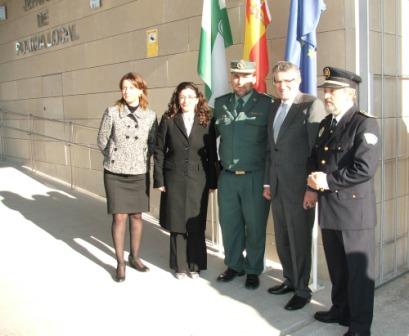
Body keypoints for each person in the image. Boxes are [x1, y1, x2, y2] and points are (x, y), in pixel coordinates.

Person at [307, 67, 380, 336]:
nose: (326, 95)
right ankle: (340, 309)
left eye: (332, 91)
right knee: (338, 268)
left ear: (349, 94)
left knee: (359, 274)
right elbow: (316, 158)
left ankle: (360, 327)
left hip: (354, 213)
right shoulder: (328, 123)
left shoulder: (365, 123)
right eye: (325, 91)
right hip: (330, 209)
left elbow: (364, 168)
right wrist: (312, 184)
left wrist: (327, 181)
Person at [262, 61, 326, 310]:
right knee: (282, 238)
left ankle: (302, 289)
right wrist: (268, 182)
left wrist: (312, 188)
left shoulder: (311, 105)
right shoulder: (274, 106)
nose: (282, 85)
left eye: (288, 80)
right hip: (277, 186)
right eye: (278, 81)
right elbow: (271, 148)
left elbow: (316, 151)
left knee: (299, 240)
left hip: (300, 188)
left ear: (298, 81)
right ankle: (289, 279)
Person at [213, 60, 273, 289]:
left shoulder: (267, 105)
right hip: (227, 176)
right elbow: (207, 137)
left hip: (255, 176)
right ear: (231, 77)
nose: (239, 81)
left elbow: (272, 145)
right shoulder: (221, 104)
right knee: (229, 224)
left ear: (254, 78)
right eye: (236, 76)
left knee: (255, 225)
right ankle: (234, 265)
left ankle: (253, 269)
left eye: (245, 76)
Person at [97, 72, 158, 282]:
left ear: (141, 90)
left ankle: (135, 257)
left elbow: (153, 144)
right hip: (115, 172)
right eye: (123, 87)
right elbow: (102, 140)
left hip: (139, 172)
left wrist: (139, 159)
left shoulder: (150, 115)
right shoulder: (112, 112)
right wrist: (115, 157)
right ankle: (120, 262)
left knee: (137, 216)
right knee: (119, 217)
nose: (126, 91)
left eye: (131, 87)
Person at [154, 82, 217, 279]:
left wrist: (213, 182)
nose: (186, 101)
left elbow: (212, 154)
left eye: (190, 96)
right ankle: (180, 265)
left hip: (199, 179)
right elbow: (158, 152)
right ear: (177, 99)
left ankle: (195, 264)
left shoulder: (207, 120)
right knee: (177, 222)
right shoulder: (169, 120)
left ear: (198, 99)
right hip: (174, 178)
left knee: (196, 222)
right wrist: (159, 180)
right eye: (182, 97)